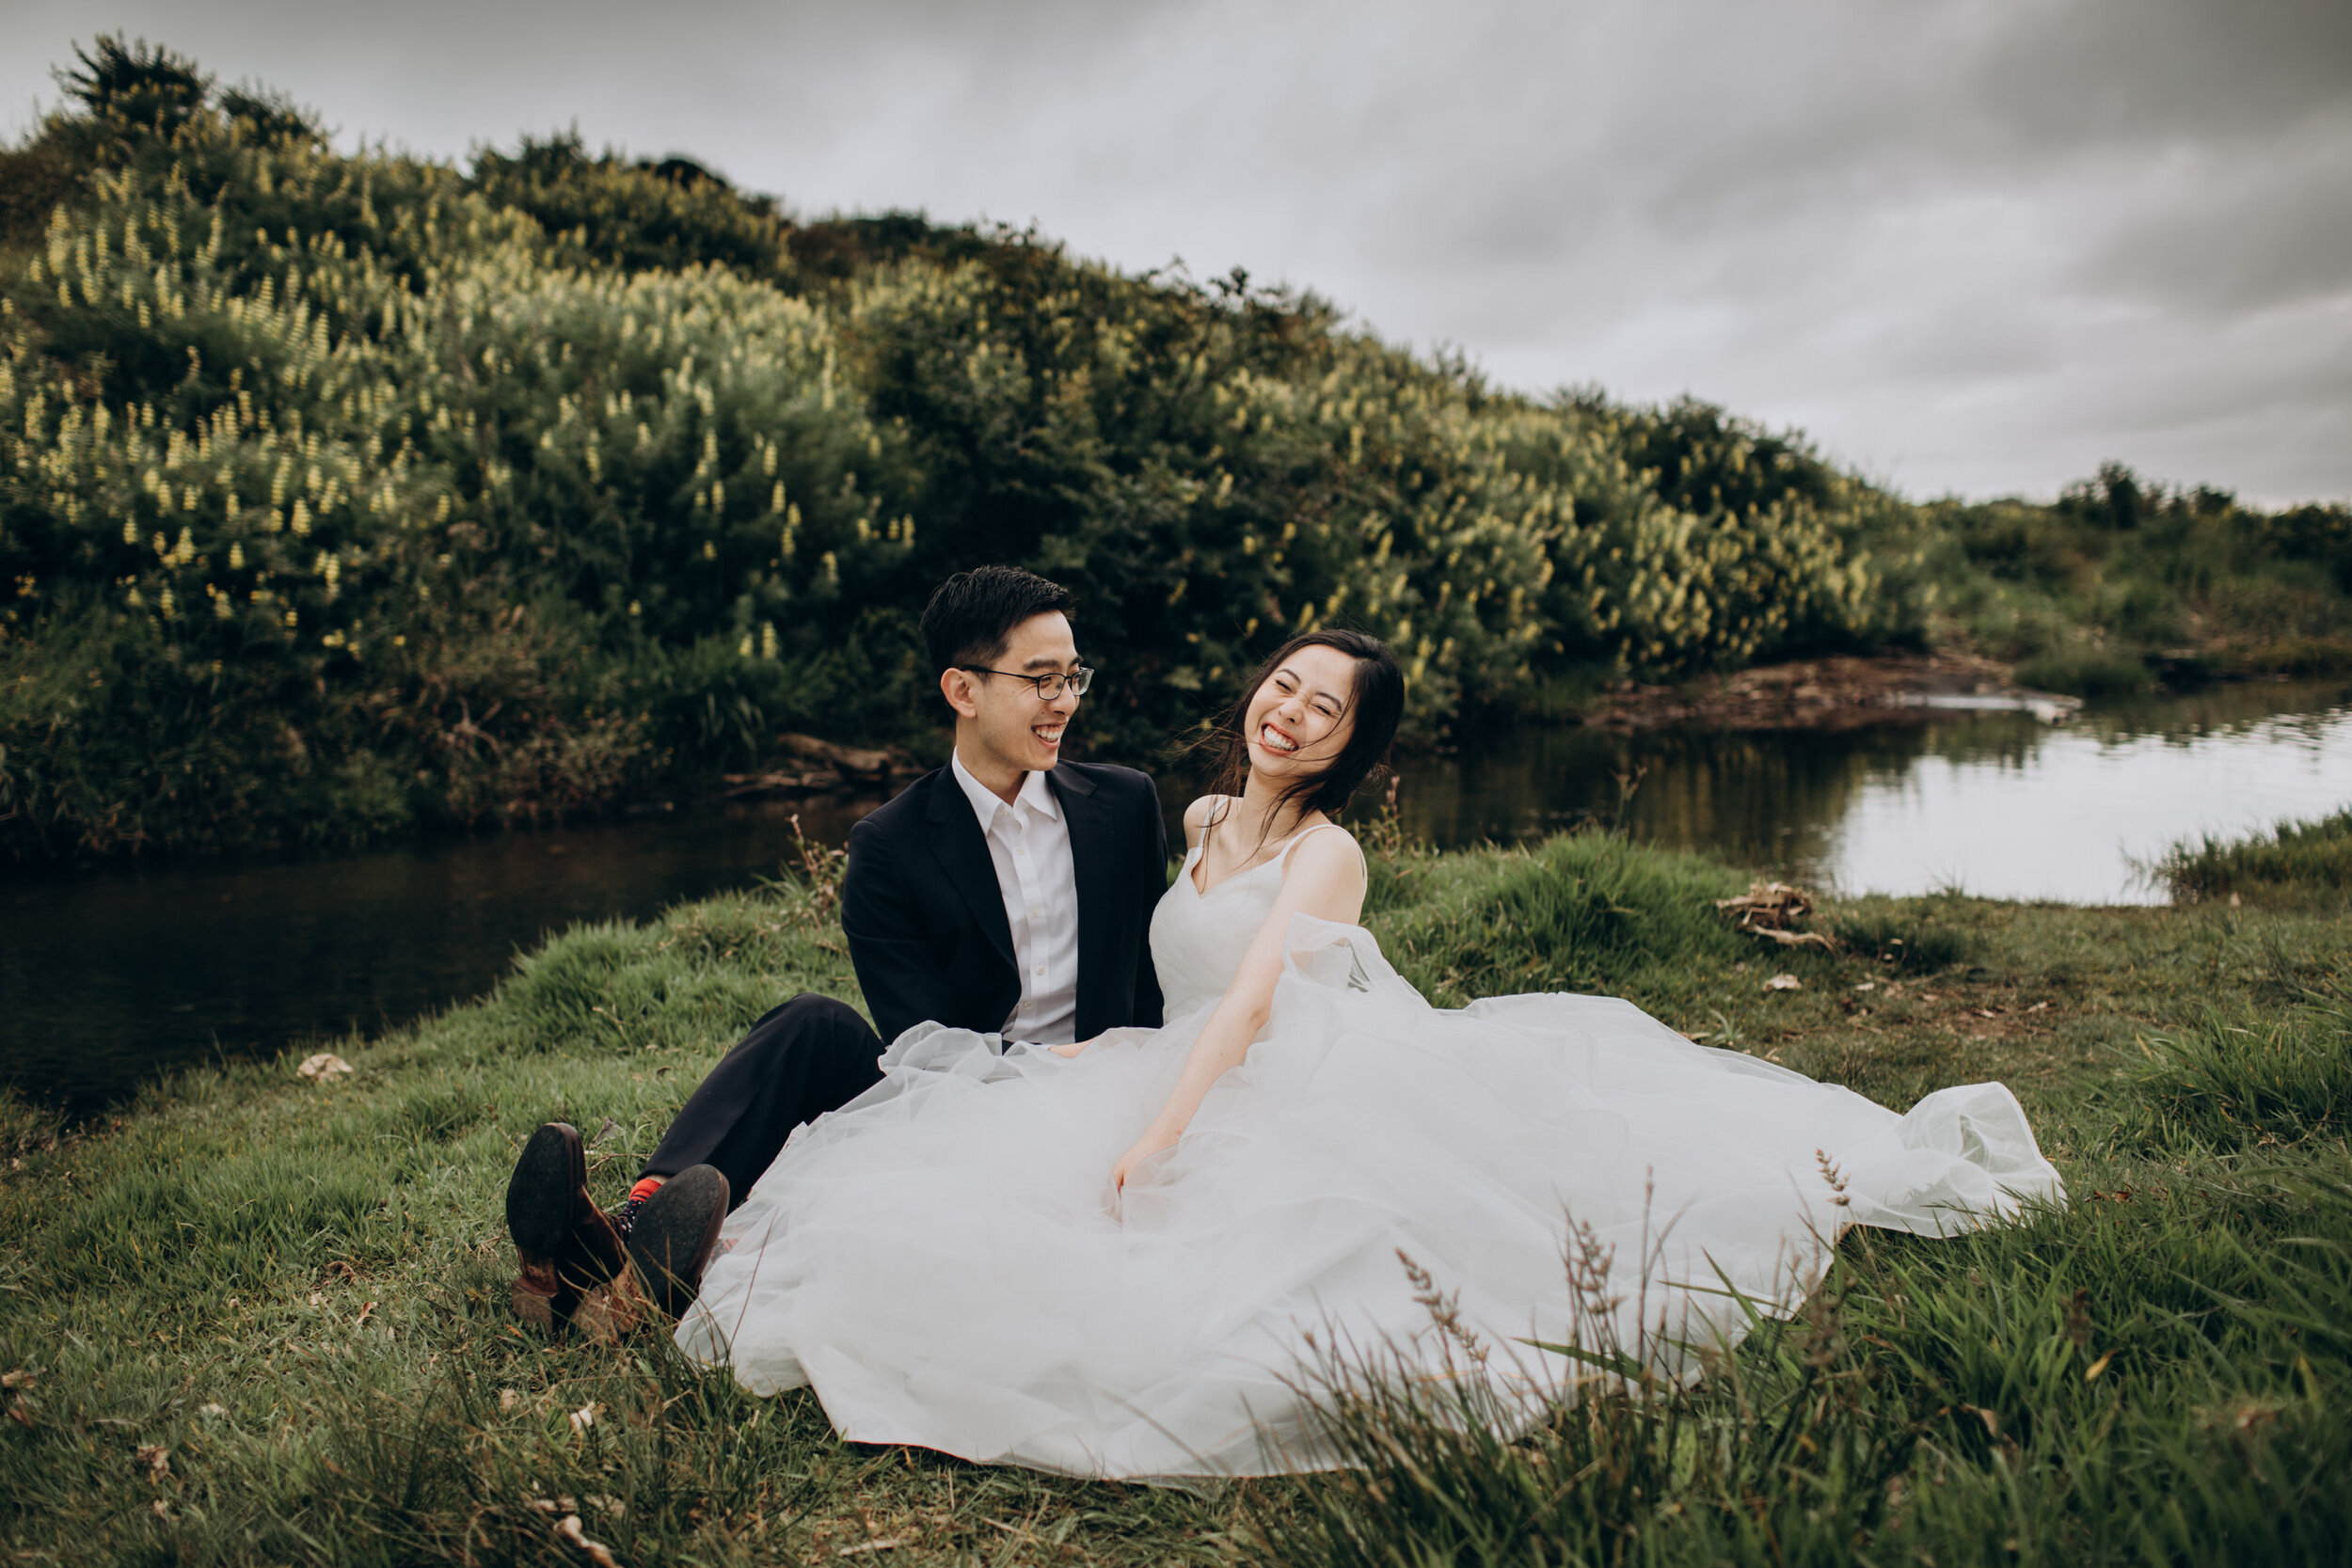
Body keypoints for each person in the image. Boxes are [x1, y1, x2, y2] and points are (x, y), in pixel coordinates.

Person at [675, 628, 2066, 1480]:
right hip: (1155, 1057)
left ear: (1352, 746)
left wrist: (1162, 1130)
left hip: (1267, 1082)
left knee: (1223, 1280)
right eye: (1284, 685)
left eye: (1323, 708)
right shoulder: (1206, 810)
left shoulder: (1329, 850)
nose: (1290, 712)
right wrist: (1099, 1060)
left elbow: (1243, 1004)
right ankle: (657, 1232)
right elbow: (1153, 969)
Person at [502, 566, 1169, 1334]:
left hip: (1102, 1096)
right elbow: (924, 1042)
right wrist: (1033, 1071)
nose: (1065, 702)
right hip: (960, 1097)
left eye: (1073, 676)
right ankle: (638, 1221)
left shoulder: (1124, 805)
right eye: (1041, 679)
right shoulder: (888, 845)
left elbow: (1151, 987)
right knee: (812, 1023)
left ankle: (593, 1261)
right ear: (963, 690)